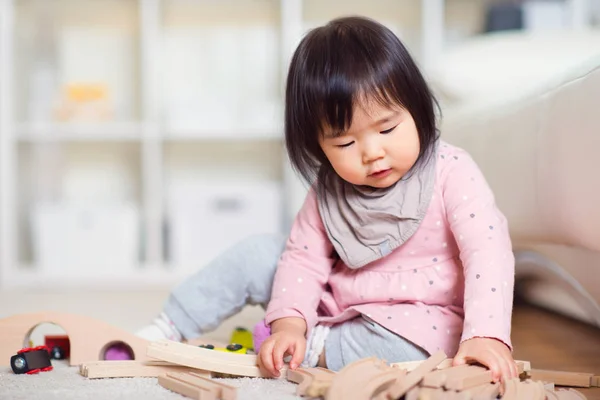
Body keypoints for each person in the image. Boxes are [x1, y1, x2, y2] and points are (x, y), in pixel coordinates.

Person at [137, 16, 518, 383]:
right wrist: (290, 321)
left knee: (425, 351)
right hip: (333, 298)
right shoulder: (329, 188)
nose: (372, 153)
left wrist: (485, 335)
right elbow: (303, 260)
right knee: (257, 253)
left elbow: (488, 252)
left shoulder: (452, 171)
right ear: (318, 146)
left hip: (420, 315)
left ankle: (312, 347)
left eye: (387, 128)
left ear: (416, 109)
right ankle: (168, 326)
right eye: (345, 143)